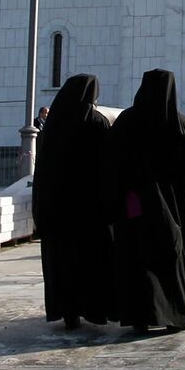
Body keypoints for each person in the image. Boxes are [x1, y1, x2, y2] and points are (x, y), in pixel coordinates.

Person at [106, 69, 185, 333]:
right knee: (172, 258)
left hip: (135, 206)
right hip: (172, 208)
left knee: (137, 259)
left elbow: (111, 165)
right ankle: (175, 315)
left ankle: (139, 316)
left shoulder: (126, 121)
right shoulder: (175, 121)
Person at [32, 74, 114, 329]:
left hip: (58, 210)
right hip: (90, 209)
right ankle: (95, 310)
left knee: (63, 263)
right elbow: (108, 164)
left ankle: (67, 312)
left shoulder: (53, 124)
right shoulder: (96, 122)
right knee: (91, 260)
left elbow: (42, 172)